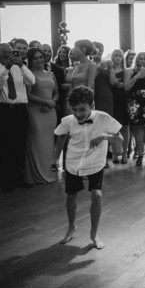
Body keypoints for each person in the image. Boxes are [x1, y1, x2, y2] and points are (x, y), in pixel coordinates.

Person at [52, 86, 122, 249]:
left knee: (97, 196)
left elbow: (120, 138)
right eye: (74, 109)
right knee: (71, 197)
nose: (78, 114)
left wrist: (104, 136)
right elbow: (61, 138)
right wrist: (55, 158)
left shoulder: (104, 118)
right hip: (73, 163)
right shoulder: (68, 120)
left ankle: (94, 233)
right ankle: (71, 226)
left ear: (93, 105)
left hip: (95, 163)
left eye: (82, 109)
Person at [0, 42, 35, 192]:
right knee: (4, 147)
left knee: (19, 145)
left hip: (20, 110)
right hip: (3, 111)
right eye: (4, 52)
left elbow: (32, 81)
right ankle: (5, 182)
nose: (8, 54)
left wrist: (21, 66)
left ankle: (19, 179)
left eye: (10, 51)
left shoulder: (20, 69)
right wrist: (6, 68)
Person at [23, 47, 59, 185]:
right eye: (35, 58)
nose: (39, 60)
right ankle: (35, 175)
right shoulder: (29, 74)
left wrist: (52, 102)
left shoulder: (50, 74)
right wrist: (46, 102)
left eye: (41, 57)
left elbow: (56, 93)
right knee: (36, 141)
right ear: (30, 60)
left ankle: (49, 172)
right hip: (35, 112)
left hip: (50, 112)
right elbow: (29, 95)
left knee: (49, 142)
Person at [109, 49, 130, 164]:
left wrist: (117, 83)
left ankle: (125, 152)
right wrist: (116, 83)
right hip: (111, 100)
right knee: (112, 128)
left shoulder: (126, 71)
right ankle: (115, 154)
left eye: (120, 56)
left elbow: (126, 86)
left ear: (122, 58)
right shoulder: (109, 69)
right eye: (115, 55)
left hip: (123, 100)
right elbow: (109, 84)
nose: (117, 58)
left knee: (124, 127)